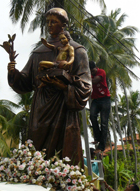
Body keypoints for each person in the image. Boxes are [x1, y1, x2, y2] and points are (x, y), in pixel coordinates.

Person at [7, 7, 91, 166]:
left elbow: (85, 84)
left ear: (64, 25)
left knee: (62, 156)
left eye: (54, 22)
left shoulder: (77, 50)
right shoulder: (38, 52)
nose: (50, 25)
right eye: (48, 22)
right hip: (40, 107)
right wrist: (14, 73)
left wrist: (64, 87)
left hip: (63, 107)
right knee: (36, 151)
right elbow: (26, 80)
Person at [89, 61, 111, 152]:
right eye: (91, 72)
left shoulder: (101, 72)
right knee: (92, 116)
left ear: (96, 68)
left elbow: (94, 81)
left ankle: (102, 146)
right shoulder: (89, 75)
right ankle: (97, 137)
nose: (92, 73)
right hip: (96, 100)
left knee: (104, 123)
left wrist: (85, 77)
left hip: (105, 99)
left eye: (93, 71)